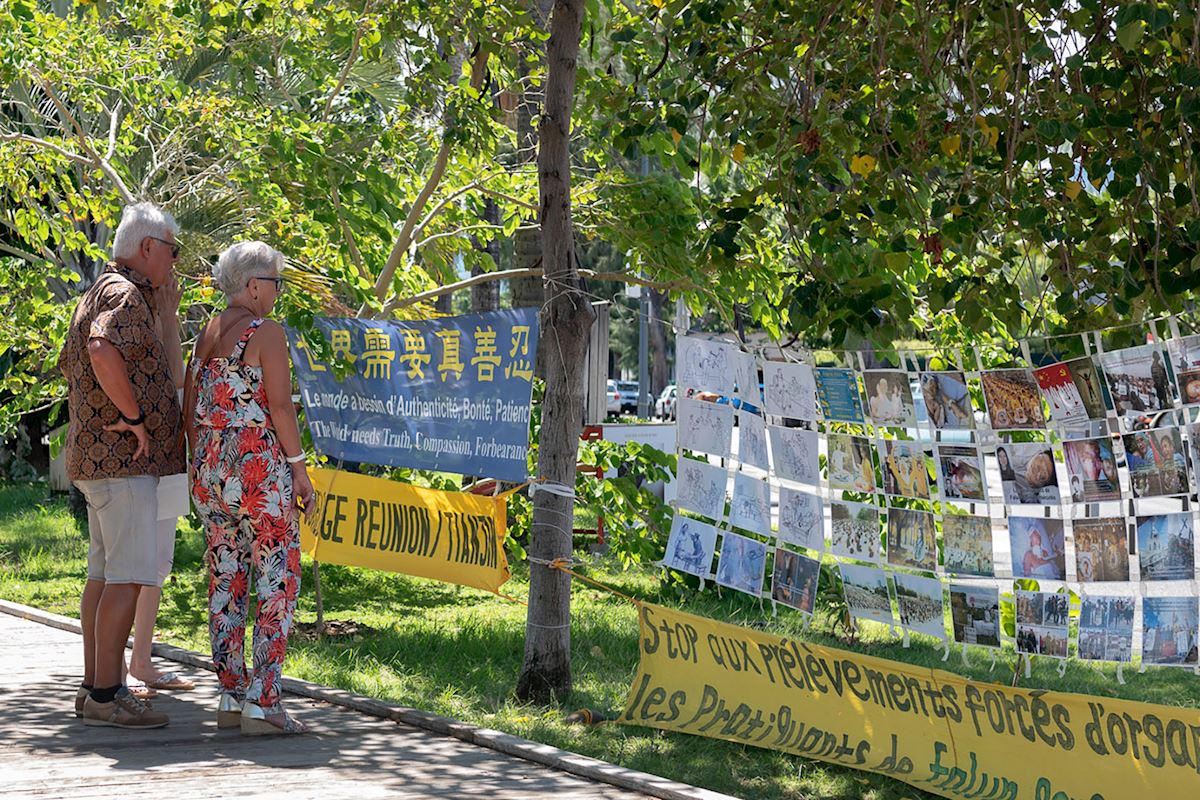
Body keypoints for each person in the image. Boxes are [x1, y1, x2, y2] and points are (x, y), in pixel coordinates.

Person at [59, 202, 185, 729]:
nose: (175, 262)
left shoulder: (102, 290)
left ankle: (94, 688)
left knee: (104, 576)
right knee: (128, 579)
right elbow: (100, 349)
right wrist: (134, 417)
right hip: (123, 463)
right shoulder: (123, 294)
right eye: (173, 251)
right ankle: (109, 695)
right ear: (147, 247)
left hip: (98, 461)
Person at [185, 241, 315, 735]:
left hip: (211, 471)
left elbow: (191, 405)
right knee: (277, 579)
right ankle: (264, 701)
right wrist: (299, 469)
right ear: (254, 285)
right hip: (257, 470)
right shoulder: (266, 332)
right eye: (276, 283)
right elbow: (280, 407)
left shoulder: (207, 332)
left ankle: (230, 694)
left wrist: (201, 462)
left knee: (226, 578)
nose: (278, 292)